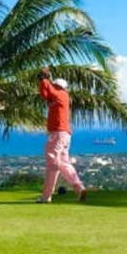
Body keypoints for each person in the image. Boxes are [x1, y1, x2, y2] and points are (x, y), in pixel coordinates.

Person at [36, 67, 87, 203]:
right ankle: (48, 196)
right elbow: (45, 94)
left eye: (55, 86)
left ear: (59, 87)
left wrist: (44, 79)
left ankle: (76, 186)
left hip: (58, 133)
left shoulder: (61, 94)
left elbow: (49, 90)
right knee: (57, 164)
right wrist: (43, 82)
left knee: (54, 161)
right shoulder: (57, 97)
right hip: (62, 134)